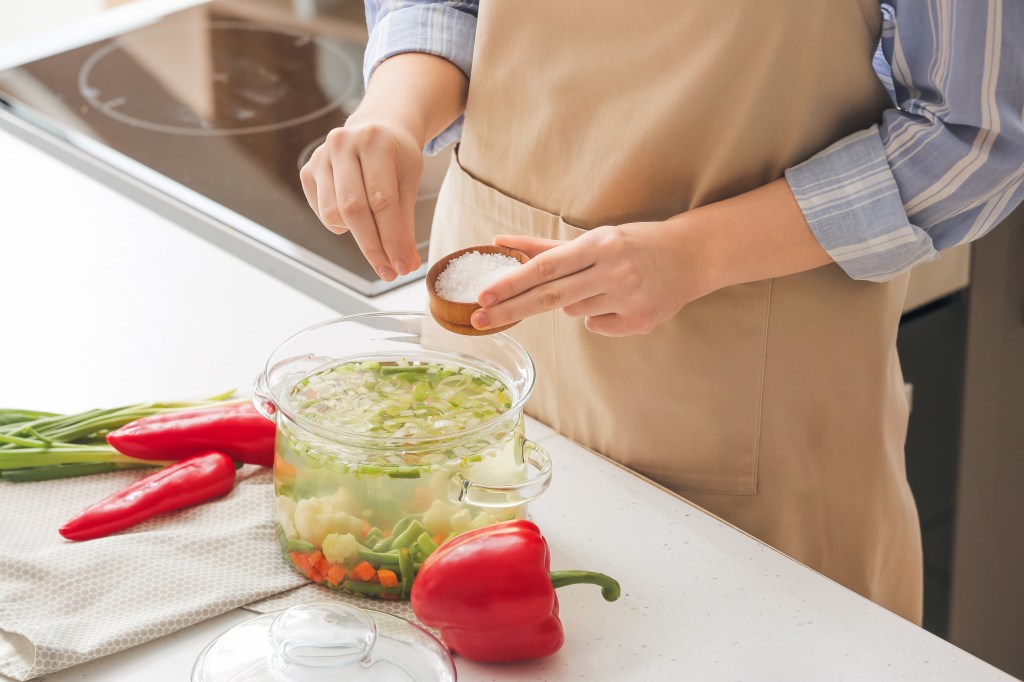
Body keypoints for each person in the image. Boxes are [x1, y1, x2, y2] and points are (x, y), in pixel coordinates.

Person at [299, 0, 1024, 624]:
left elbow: (974, 138)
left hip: (742, 386)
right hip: (486, 372)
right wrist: (393, 114)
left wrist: (695, 254)